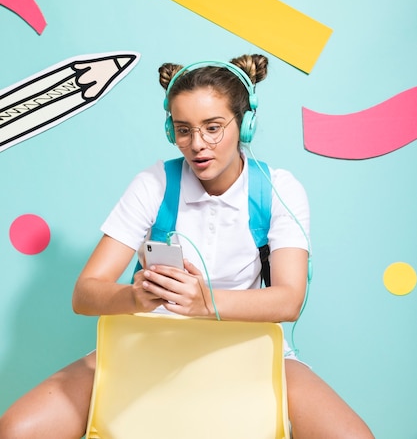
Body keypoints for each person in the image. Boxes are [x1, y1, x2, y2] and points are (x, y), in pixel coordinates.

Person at [0, 54, 375, 439]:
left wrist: (205, 302)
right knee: (18, 429)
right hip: (147, 342)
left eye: (213, 128)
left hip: (246, 345)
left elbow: (289, 300)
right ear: (170, 131)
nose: (197, 145)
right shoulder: (153, 184)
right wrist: (135, 297)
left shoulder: (280, 189)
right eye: (183, 130)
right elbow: (85, 294)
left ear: (245, 125)